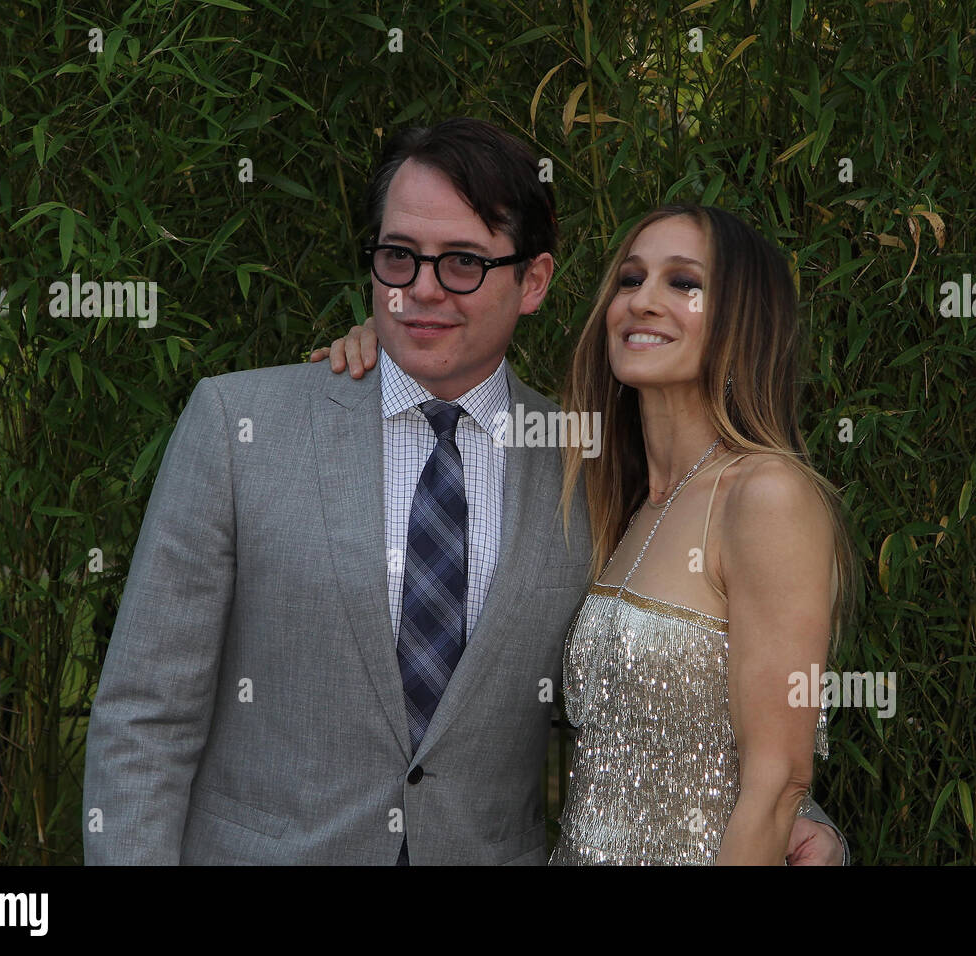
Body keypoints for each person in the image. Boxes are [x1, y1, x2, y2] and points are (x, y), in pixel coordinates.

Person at [85, 115, 847, 864]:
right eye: (398, 258)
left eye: (461, 263)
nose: (420, 290)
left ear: (534, 281)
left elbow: (667, 678)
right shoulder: (240, 426)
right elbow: (145, 717)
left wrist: (793, 809)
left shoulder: (588, 469)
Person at [318, 203, 855, 865]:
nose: (643, 301)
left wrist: (812, 828)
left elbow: (777, 783)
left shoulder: (765, 496)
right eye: (630, 280)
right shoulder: (607, 496)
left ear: (746, 322)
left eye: (683, 283)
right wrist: (387, 346)